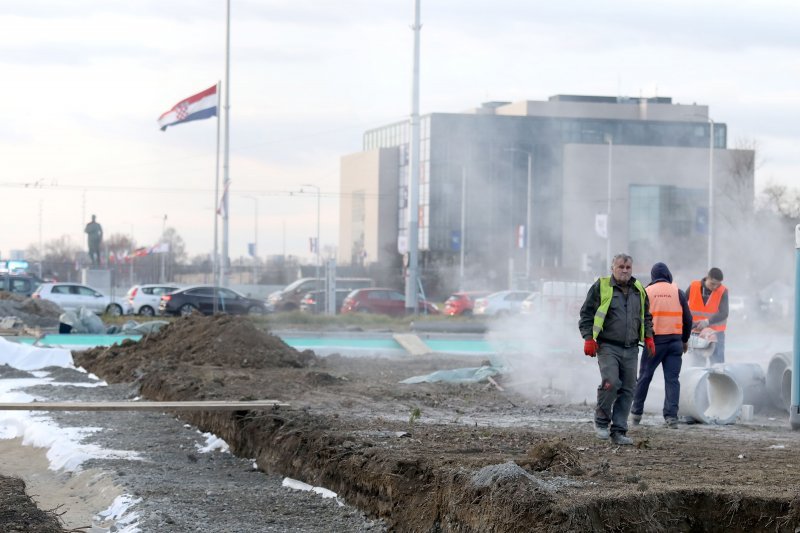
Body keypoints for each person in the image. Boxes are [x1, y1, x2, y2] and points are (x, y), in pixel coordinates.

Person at [579, 253, 654, 446]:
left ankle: (619, 430)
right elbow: (586, 314)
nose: (625, 270)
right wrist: (588, 338)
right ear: (613, 267)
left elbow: (645, 316)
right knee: (611, 382)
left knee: (629, 388)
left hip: (631, 348)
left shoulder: (639, 289)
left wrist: (649, 336)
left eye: (628, 267)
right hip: (607, 346)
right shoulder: (601, 286)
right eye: (621, 267)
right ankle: (602, 422)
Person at [630, 262, 693, 428]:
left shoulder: (646, 291)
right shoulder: (677, 292)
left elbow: (637, 316)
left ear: (653, 276)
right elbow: (688, 318)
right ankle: (671, 418)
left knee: (644, 377)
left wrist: (638, 338)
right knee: (672, 380)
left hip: (654, 343)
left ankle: (636, 413)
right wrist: (684, 340)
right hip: (675, 342)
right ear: (668, 275)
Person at [686, 267, 728, 365]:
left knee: (718, 366)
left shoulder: (723, 291)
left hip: (716, 333)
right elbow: (682, 303)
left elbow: (724, 313)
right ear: (707, 278)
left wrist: (707, 322)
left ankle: (717, 381)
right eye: (712, 284)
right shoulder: (693, 286)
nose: (714, 287)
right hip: (696, 332)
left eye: (717, 285)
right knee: (697, 366)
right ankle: (701, 381)